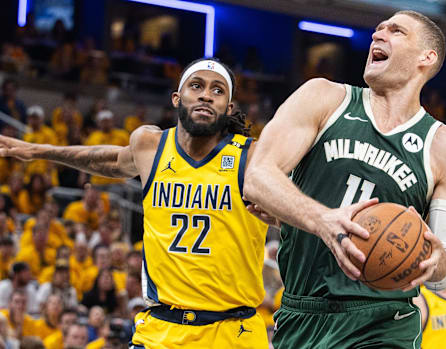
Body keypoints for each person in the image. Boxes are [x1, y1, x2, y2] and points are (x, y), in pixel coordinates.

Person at [0, 58, 270, 348]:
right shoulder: (149, 145)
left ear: (229, 108)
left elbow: (291, 209)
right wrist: (39, 150)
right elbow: (110, 160)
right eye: (196, 86)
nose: (206, 94)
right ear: (177, 98)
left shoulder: (252, 157)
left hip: (232, 330)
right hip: (161, 329)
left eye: (218, 90)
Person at [244, 10, 446, 348]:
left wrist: (435, 263)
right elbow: (258, 177)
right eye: (378, 29)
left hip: (384, 321)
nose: (378, 35)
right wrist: (319, 220)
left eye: (396, 31)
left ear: (427, 57)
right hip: (303, 311)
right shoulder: (324, 97)